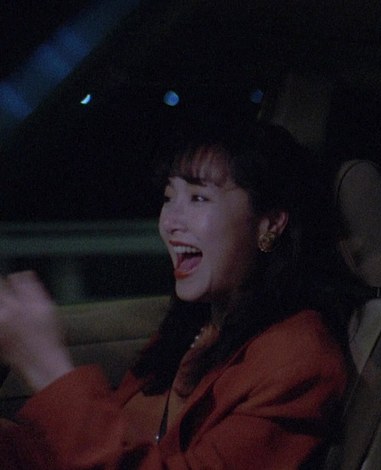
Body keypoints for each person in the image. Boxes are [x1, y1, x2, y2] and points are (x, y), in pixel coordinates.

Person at [0, 119, 350, 469]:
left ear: (270, 223)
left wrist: (48, 368)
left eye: (198, 198)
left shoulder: (297, 360)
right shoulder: (196, 326)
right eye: (169, 198)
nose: (169, 222)